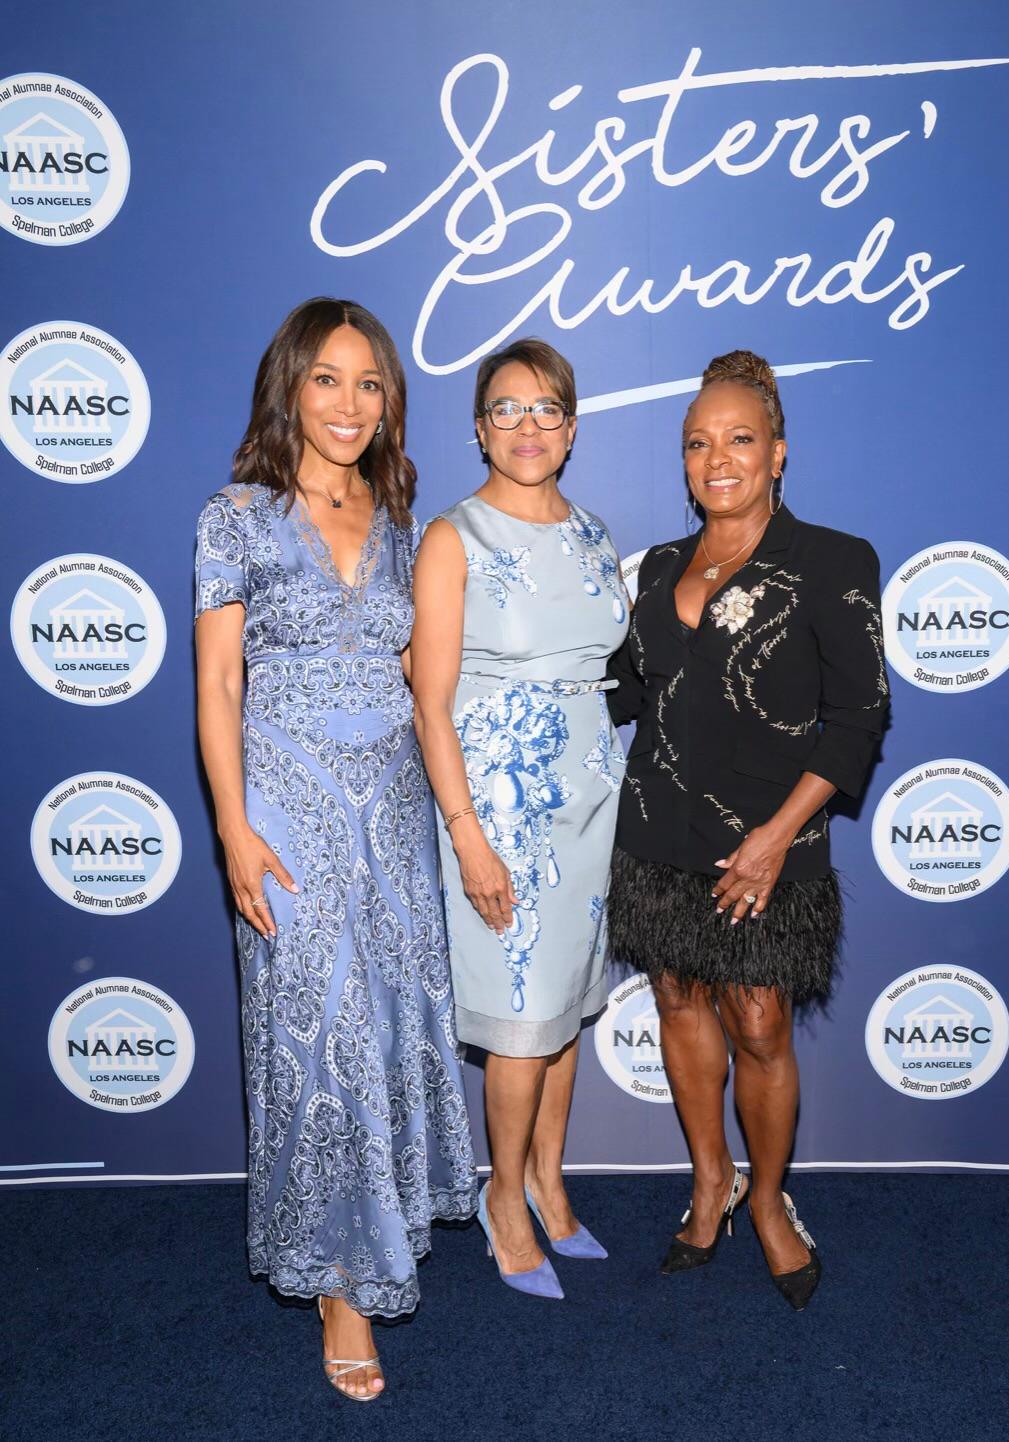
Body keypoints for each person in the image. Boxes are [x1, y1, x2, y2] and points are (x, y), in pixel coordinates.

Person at [195, 297, 476, 1401]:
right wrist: (232, 826)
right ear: (290, 388)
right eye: (328, 379)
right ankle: (339, 1285)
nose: (350, 403)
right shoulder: (236, 516)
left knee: (387, 1024)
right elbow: (219, 684)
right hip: (288, 812)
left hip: (395, 812)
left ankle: (383, 1224)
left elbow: (428, 683)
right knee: (316, 1034)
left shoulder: (402, 514)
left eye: (369, 383)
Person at [606, 349, 888, 1310]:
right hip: (655, 835)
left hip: (766, 845)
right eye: (696, 443)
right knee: (680, 1006)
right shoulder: (652, 569)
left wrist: (773, 838)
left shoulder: (832, 562)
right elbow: (622, 692)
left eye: (738, 439)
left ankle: (768, 1201)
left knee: (759, 1025)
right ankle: (707, 1183)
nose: (715, 458)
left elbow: (857, 720)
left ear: (777, 453)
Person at [411, 338, 628, 1299]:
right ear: (478, 428)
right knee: (519, 1025)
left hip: (591, 796)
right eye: (507, 409)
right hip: (500, 802)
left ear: (571, 429)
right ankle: (504, 1196)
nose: (528, 426)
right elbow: (429, 699)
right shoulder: (452, 538)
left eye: (547, 409)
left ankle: (546, 1177)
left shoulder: (591, 532)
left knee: (567, 1008)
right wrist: (465, 833)